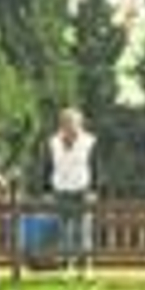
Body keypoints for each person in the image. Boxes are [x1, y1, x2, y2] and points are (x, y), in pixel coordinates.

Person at [45, 108, 97, 272]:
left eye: (71, 122)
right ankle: (68, 264)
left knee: (83, 229)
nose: (68, 125)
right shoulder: (53, 141)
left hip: (82, 188)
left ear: (79, 124)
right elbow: (46, 166)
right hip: (60, 188)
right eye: (64, 122)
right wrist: (46, 189)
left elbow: (97, 166)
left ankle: (86, 265)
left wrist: (94, 189)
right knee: (63, 229)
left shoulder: (89, 141)